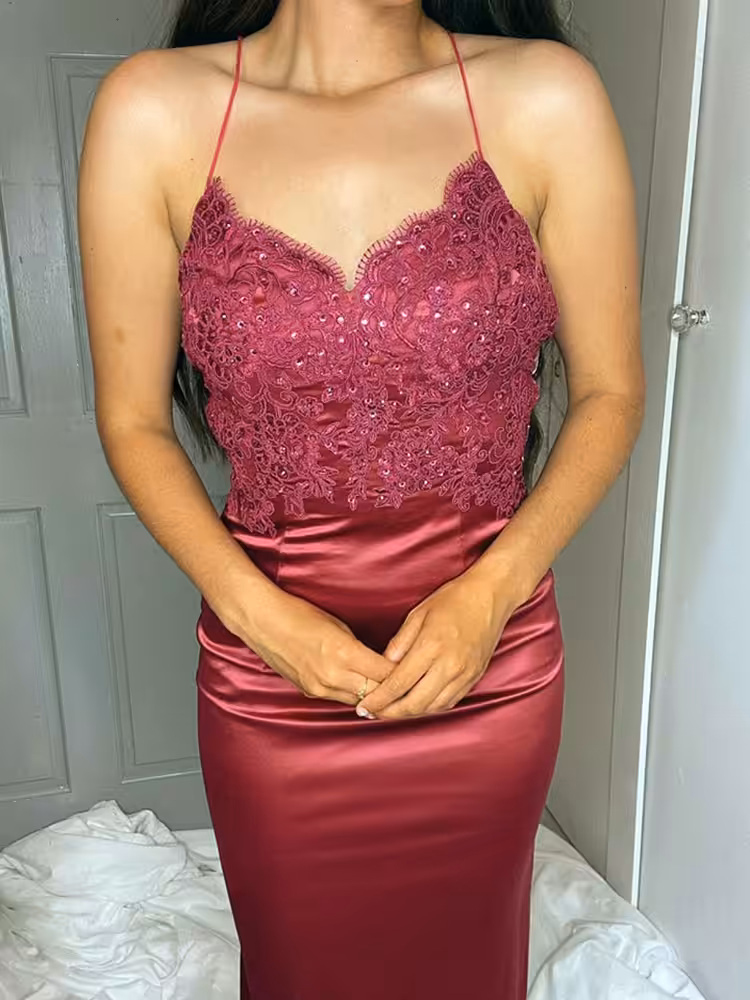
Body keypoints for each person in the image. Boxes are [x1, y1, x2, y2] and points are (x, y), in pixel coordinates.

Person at [78, 1, 644, 997]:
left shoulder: (545, 96)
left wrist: (493, 593)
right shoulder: (153, 110)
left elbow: (611, 393)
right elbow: (131, 421)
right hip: (270, 672)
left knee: (464, 963)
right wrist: (263, 620)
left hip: (485, 662)